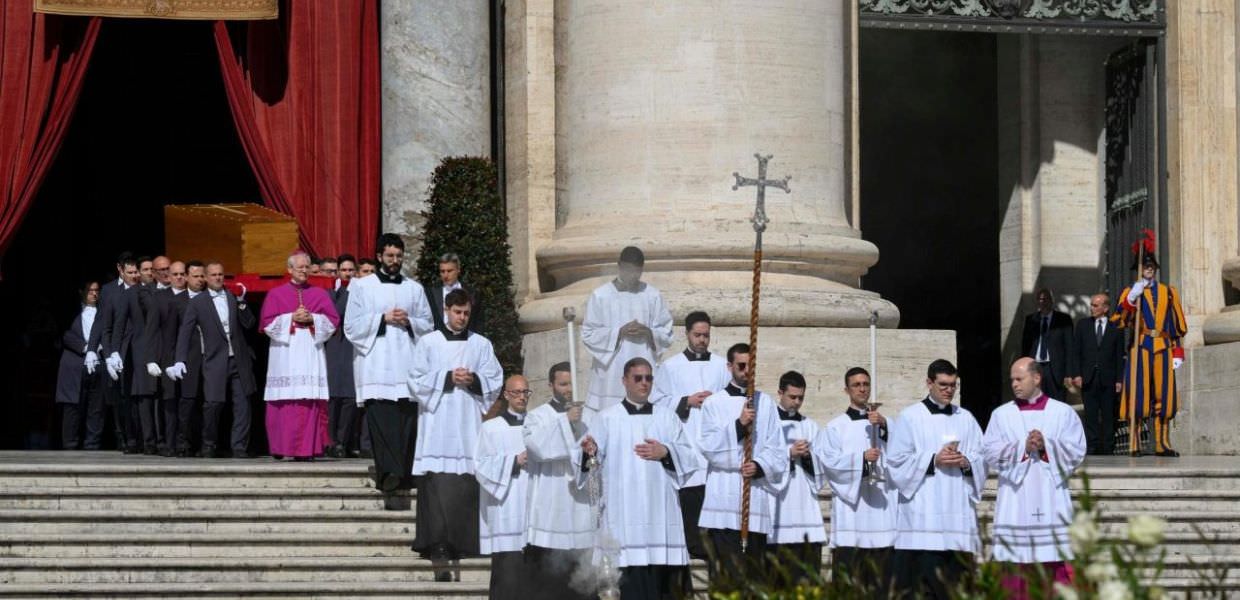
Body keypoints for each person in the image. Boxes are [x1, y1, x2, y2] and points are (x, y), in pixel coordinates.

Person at [579, 357, 702, 600]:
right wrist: (588, 451)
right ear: (624, 381)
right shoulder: (606, 418)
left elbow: (689, 457)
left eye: (648, 378)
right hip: (623, 517)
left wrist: (666, 452)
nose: (644, 383)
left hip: (661, 517)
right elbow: (590, 463)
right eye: (638, 378)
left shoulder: (667, 417)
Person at [409, 288, 502, 579]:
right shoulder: (428, 343)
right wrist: (448, 377)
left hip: (466, 424)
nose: (462, 318)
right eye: (457, 312)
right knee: (437, 482)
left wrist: (473, 379)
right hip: (437, 424)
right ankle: (436, 543)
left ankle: (463, 541)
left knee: (464, 481)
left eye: (466, 313)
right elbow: (414, 380)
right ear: (446, 310)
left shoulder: (481, 344)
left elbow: (495, 379)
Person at [984, 358, 1086, 599]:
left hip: (1051, 499)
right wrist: (1022, 446)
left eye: (1019, 379)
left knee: (1053, 562)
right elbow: (989, 451)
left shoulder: (1062, 412)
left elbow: (1077, 450)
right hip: (1014, 501)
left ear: (1037, 378)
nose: (1014, 384)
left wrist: (1045, 446)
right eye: (1012, 380)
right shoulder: (1001, 414)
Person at [887, 359, 984, 599]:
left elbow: (983, 457)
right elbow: (896, 462)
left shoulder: (966, 418)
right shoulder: (910, 417)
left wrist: (966, 462)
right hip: (923, 519)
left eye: (953, 385)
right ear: (929, 383)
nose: (949, 390)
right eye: (943, 385)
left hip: (957, 519)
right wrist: (933, 460)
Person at [344, 234, 434, 489]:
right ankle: (388, 475)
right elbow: (351, 326)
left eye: (399, 256)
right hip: (377, 366)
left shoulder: (414, 289)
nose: (395, 261)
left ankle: (405, 474)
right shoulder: (362, 286)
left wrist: (410, 321)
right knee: (383, 424)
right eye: (390, 256)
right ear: (380, 256)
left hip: (407, 365)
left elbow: (428, 325)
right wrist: (381, 318)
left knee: (406, 423)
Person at [697, 343, 787, 586]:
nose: (747, 371)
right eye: (741, 365)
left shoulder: (766, 403)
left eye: (752, 366)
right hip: (723, 504)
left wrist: (758, 466)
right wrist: (739, 425)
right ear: (729, 367)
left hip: (753, 502)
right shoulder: (713, 403)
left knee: (754, 581)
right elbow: (708, 447)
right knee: (726, 581)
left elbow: (777, 449)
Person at [650, 310, 729, 560]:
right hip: (687, 440)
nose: (702, 340)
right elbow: (658, 401)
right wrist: (687, 400)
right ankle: (693, 546)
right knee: (691, 495)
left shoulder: (721, 366)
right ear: (687, 334)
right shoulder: (671, 367)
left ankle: (716, 547)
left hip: (714, 444)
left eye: (706, 335)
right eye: (697, 335)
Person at [817, 367, 897, 593]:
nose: (862, 389)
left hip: (882, 515)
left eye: (866, 384)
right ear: (846, 390)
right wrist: (861, 460)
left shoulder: (885, 424)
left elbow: (903, 454)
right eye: (857, 385)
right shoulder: (835, 427)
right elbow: (830, 465)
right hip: (853, 515)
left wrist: (884, 427)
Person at [167, 261, 256, 458]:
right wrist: (180, 359)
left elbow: (249, 323)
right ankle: (209, 444)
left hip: (238, 359)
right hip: (215, 360)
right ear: (206, 278)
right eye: (213, 275)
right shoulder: (198, 302)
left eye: (220, 274)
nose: (217, 278)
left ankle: (239, 446)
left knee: (243, 404)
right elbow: (185, 331)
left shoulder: (232, 297)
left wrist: (242, 302)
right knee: (213, 404)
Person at [522, 362, 595, 600]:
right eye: (563, 384)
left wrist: (590, 451)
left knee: (581, 574)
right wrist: (565, 421)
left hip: (579, 502)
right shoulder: (536, 416)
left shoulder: (587, 417)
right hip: (551, 501)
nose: (569, 389)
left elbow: (592, 455)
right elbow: (538, 448)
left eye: (572, 384)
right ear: (551, 385)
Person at [260, 252, 340, 460]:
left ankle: (307, 449)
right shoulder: (276, 294)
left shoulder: (320, 294)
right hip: (284, 353)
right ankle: (283, 448)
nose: (304, 271)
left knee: (308, 400)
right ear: (289, 270)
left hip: (309, 351)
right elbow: (266, 324)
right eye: (300, 267)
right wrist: (291, 318)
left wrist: (313, 318)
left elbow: (333, 322)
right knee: (284, 400)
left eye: (307, 267)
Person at [580, 246, 673, 415]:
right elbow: (588, 334)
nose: (633, 275)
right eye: (629, 270)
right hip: (612, 374)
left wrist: (649, 332)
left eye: (637, 271)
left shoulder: (652, 295)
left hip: (644, 368)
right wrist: (618, 333)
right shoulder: (600, 296)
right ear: (619, 266)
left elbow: (666, 331)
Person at [1114, 250, 1188, 457]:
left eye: (1151, 266)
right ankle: (1135, 442)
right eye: (1145, 266)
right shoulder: (1131, 291)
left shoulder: (1169, 292)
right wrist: (1130, 299)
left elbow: (1175, 324)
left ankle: (1162, 443)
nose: (1149, 268)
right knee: (1138, 393)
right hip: (1141, 345)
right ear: (1139, 269)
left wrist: (1177, 349)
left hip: (1163, 346)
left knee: (1164, 395)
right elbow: (1122, 321)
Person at [475, 375, 533, 600]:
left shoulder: (538, 425)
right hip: (505, 509)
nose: (522, 397)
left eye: (525, 392)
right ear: (506, 395)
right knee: (508, 574)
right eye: (517, 392)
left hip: (533, 508)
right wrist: (514, 462)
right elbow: (480, 466)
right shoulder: (491, 428)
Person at [769, 370, 827, 582]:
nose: (796, 402)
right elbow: (762, 461)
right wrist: (788, 454)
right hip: (777, 506)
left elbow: (822, 468)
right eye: (792, 397)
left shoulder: (810, 426)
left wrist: (808, 457)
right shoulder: (767, 425)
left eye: (800, 398)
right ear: (780, 393)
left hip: (805, 508)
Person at [88, 252, 140, 451]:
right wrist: (93, 349)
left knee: (136, 395)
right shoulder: (109, 291)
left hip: (137, 348)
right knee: (119, 396)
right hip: (115, 351)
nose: (134, 276)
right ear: (120, 269)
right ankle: (123, 438)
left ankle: (138, 438)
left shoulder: (142, 288)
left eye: (136, 271)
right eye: (130, 272)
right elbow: (101, 322)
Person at [1068, 293, 1125, 455]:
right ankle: (1091, 446)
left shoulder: (1116, 328)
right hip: (1088, 377)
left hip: (1108, 378)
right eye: (1091, 305)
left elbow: (1119, 356)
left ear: (1105, 308)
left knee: (1108, 414)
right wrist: (1076, 374)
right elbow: (1076, 352)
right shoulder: (1083, 325)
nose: (1091, 308)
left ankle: (1108, 447)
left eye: (1095, 305)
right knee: (1091, 414)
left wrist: (1119, 380)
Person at [145, 261, 189, 456]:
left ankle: (185, 444)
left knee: (188, 401)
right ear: (168, 277)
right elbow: (151, 330)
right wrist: (150, 359)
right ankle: (169, 444)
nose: (179, 277)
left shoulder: (194, 297)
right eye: (175, 274)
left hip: (190, 356)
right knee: (169, 402)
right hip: (166, 356)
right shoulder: (159, 298)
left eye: (182, 274)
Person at [56, 280, 105, 450]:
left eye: (96, 290)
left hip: (99, 363)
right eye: (90, 290)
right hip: (75, 365)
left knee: (96, 407)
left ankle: (92, 445)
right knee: (72, 407)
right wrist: (86, 348)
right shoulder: (71, 312)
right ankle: (70, 445)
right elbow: (65, 334)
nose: (94, 294)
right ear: (82, 292)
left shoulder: (104, 311)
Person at [168, 261, 207, 457]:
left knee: (208, 403)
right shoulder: (178, 301)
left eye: (202, 276)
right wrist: (175, 360)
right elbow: (172, 335)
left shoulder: (211, 299)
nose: (200, 280)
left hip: (209, 359)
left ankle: (206, 444)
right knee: (187, 403)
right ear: (187, 278)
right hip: (187, 360)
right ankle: (183, 444)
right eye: (196, 276)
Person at [326, 254, 359, 458]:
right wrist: (347, 291)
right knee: (332, 398)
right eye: (344, 270)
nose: (347, 274)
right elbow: (334, 314)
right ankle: (330, 441)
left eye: (350, 270)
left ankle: (342, 442)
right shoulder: (331, 291)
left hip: (352, 346)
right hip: (334, 345)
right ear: (338, 272)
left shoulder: (362, 291)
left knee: (350, 397)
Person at [1020, 287, 1073, 402]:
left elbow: (1069, 348)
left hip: (1055, 368)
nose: (1042, 302)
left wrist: (1069, 373)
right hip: (1035, 366)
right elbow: (1025, 346)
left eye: (1045, 299)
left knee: (1057, 402)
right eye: (1040, 299)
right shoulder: (1031, 320)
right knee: (1035, 400)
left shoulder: (1064, 319)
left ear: (1052, 300)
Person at [425, 252, 485, 335]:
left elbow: (478, 322)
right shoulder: (431, 292)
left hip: (465, 341)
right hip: (439, 341)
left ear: (458, 270)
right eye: (442, 271)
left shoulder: (472, 293)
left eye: (449, 271)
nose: (445, 275)